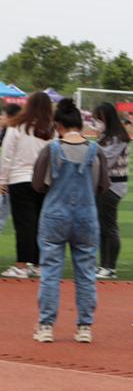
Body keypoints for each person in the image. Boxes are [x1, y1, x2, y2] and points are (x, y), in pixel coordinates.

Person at [30, 98, 110, 343]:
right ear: (81, 124)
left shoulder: (52, 149)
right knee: (85, 273)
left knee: (50, 272)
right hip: (86, 217)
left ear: (58, 125)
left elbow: (37, 184)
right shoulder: (96, 151)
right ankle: (84, 326)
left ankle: (46, 326)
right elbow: (103, 185)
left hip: (55, 215)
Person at [0, 92, 54, 279]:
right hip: (44, 181)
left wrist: (2, 180)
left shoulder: (16, 126)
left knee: (23, 225)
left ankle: (21, 265)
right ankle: (38, 265)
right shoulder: (50, 129)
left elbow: (7, 155)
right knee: (41, 224)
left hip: (19, 179)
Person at [92, 103, 131, 280]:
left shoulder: (117, 138)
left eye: (99, 119)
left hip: (112, 186)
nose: (97, 122)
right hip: (104, 186)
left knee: (109, 227)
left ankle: (110, 266)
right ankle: (104, 265)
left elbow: (104, 160)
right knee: (103, 227)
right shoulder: (107, 136)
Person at [0, 103, 23, 237]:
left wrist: (3, 181)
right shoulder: (6, 132)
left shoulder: (14, 134)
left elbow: (8, 159)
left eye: (3, 115)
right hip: (9, 181)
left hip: (8, 182)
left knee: (4, 216)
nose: (1, 117)